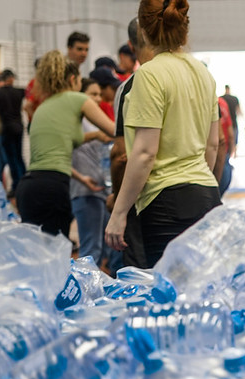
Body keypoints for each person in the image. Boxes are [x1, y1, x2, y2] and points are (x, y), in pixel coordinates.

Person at [105, 0, 221, 267]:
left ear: (143, 31)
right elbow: (213, 144)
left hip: (166, 203)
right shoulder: (203, 72)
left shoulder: (149, 74)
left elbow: (144, 153)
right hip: (206, 195)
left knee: (172, 296)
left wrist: (119, 212)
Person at [16, 51, 115, 237]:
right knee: (56, 252)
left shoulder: (43, 108)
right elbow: (114, 130)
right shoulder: (77, 99)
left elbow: (54, 152)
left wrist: (93, 136)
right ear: (72, 79)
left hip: (28, 187)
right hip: (52, 188)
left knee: (37, 252)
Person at [108, 18, 151, 269]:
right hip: (196, 192)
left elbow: (122, 155)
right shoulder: (198, 78)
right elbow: (217, 143)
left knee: (141, 276)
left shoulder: (131, 87)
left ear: (130, 45)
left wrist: (118, 202)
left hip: (145, 196)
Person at [70, 78, 113, 266]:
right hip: (84, 191)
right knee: (90, 249)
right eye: (92, 94)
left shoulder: (94, 122)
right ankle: (85, 292)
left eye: (99, 95)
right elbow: (69, 141)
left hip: (99, 190)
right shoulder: (75, 123)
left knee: (102, 247)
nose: (97, 99)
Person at [0, 69, 26, 197]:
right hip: (18, 128)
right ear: (11, 79)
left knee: (10, 159)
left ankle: (17, 186)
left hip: (5, 130)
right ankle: (22, 184)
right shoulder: (20, 91)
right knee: (19, 157)